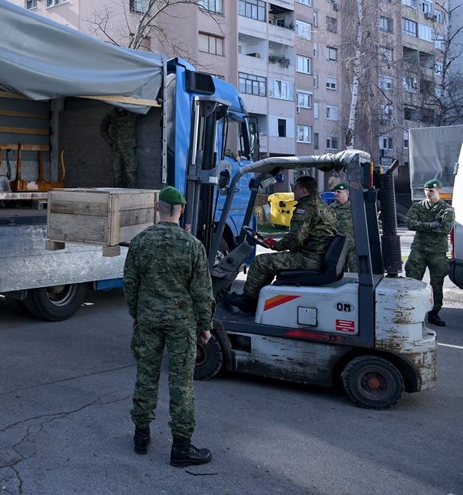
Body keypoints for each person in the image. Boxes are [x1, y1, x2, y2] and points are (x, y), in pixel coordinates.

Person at [124, 185, 214, 467]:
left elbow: (130, 283)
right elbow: (202, 291)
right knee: (181, 383)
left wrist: (136, 313)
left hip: (148, 319)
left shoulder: (140, 242)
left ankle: (141, 437)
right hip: (180, 323)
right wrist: (205, 325)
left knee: (146, 376)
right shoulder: (192, 245)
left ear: (157, 208)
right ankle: (181, 447)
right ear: (181, 209)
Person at [222, 176, 336, 314]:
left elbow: (296, 238)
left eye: (296, 188)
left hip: (308, 258)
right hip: (317, 255)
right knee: (270, 263)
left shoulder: (306, 208)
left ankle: (247, 301)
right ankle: (256, 299)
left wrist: (276, 245)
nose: (293, 192)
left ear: (304, 190)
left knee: (260, 261)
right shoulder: (323, 207)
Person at [405, 179, 455, 327]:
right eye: (426, 190)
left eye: (431, 191)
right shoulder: (418, 207)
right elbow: (409, 223)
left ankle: (434, 313)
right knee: (413, 281)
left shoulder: (447, 209)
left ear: (439, 191)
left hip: (437, 252)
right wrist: (431, 225)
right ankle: (413, 311)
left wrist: (421, 226)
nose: (428, 193)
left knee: (436, 284)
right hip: (419, 250)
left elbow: (445, 229)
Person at [100, 107, 138, 188]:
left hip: (128, 148)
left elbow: (144, 108)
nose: (119, 107)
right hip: (116, 148)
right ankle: (118, 193)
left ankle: (132, 192)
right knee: (116, 174)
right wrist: (109, 141)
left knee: (130, 172)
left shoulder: (132, 111)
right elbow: (102, 129)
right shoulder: (110, 114)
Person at [329, 182, 358, 274]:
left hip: (353, 247)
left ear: (347, 193)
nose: (335, 194)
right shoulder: (330, 208)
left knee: (356, 272)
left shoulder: (355, 207)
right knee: (339, 273)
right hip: (338, 246)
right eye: (335, 192)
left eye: (339, 192)